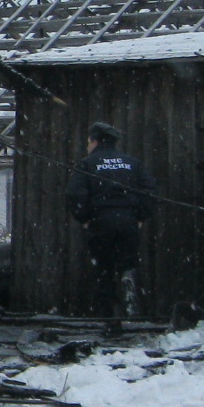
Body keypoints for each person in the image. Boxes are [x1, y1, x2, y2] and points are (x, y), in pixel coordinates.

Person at [66, 121, 155, 326]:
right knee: (128, 262)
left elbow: (74, 194)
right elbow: (150, 191)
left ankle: (108, 316)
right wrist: (141, 216)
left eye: (88, 142)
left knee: (103, 269)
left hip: (101, 221)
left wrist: (84, 218)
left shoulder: (87, 164)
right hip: (128, 220)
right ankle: (128, 286)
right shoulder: (132, 163)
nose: (87, 146)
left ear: (94, 141)